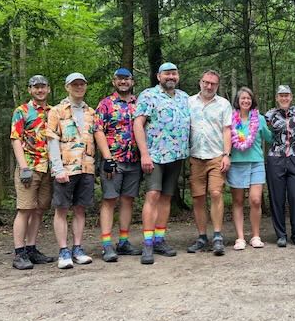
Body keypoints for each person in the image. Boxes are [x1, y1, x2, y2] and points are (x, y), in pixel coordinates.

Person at [133, 62, 190, 265]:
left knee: (166, 197)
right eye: (166, 73)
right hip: (155, 155)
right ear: (158, 76)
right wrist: (144, 154)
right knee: (153, 195)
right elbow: (138, 124)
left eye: (174, 73)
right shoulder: (148, 95)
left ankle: (159, 239)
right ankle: (147, 243)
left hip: (177, 156)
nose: (171, 77)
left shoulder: (184, 97)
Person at [47, 72, 96, 269]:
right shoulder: (57, 111)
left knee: (80, 209)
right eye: (74, 84)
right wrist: (57, 168)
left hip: (87, 167)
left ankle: (77, 248)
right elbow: (51, 140)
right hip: (65, 168)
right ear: (67, 87)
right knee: (61, 209)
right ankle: (63, 250)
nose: (78, 87)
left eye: (81, 84)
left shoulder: (91, 113)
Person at [94, 68, 142, 262]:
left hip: (134, 160)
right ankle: (106, 244)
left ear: (132, 81)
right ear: (114, 81)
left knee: (128, 199)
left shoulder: (140, 103)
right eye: (120, 79)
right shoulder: (106, 104)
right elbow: (98, 130)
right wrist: (107, 158)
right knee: (109, 199)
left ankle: (123, 241)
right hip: (114, 160)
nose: (123, 82)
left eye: (127, 79)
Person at [9, 75, 55, 270]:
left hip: (48, 167)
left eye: (43, 86)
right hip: (29, 166)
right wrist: (24, 167)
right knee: (25, 209)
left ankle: (31, 248)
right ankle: (19, 253)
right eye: (36, 87)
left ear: (48, 89)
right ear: (30, 90)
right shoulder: (22, 111)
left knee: (39, 209)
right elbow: (15, 139)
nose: (40, 90)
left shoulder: (53, 112)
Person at [187, 70, 233, 256]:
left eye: (213, 83)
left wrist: (226, 154)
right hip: (195, 156)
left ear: (217, 85)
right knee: (198, 197)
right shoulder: (189, 102)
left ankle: (217, 236)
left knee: (215, 193)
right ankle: (201, 236)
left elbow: (227, 130)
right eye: (206, 82)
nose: (208, 86)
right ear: (200, 82)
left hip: (216, 156)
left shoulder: (223, 104)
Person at [265, 85, 295, 247]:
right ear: (277, 97)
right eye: (281, 95)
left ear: (291, 97)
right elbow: (254, 123)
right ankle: (281, 235)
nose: (284, 98)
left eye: (287, 95)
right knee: (277, 198)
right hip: (275, 158)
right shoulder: (269, 115)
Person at [228, 87, 272, 250]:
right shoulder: (231, 119)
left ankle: (255, 236)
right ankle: (240, 238)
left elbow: (269, 137)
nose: (246, 101)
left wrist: (270, 126)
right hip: (237, 163)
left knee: (255, 199)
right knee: (238, 201)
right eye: (242, 98)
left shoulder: (259, 119)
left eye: (248, 98)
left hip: (256, 163)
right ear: (237, 101)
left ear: (252, 101)